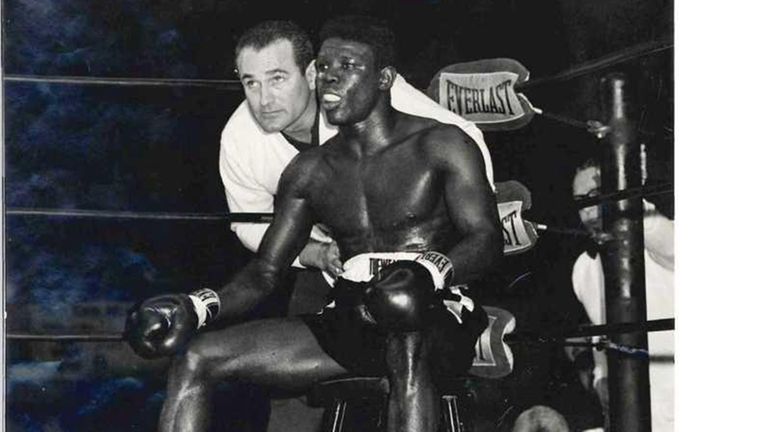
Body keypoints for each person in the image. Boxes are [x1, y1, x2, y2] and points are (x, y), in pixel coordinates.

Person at [125, 15, 503, 432]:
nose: (330, 80)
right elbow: (264, 274)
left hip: (436, 315)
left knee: (406, 339)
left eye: (348, 67)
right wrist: (195, 306)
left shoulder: (442, 144)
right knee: (198, 356)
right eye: (324, 68)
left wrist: (429, 272)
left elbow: (485, 238)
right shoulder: (307, 172)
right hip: (350, 314)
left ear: (385, 79)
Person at [219, 20, 495, 280]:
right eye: (251, 82)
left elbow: (464, 138)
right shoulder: (238, 138)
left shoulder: (364, 90)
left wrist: (471, 216)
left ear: (311, 73)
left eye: (277, 79)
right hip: (335, 263)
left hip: (421, 261)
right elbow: (247, 220)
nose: (264, 99)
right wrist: (314, 253)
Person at [570, 160, 674, 431]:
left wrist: (624, 188)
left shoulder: (663, 243)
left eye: (596, 196)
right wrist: (601, 377)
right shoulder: (583, 269)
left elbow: (654, 228)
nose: (589, 211)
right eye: (581, 201)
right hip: (631, 417)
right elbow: (601, 333)